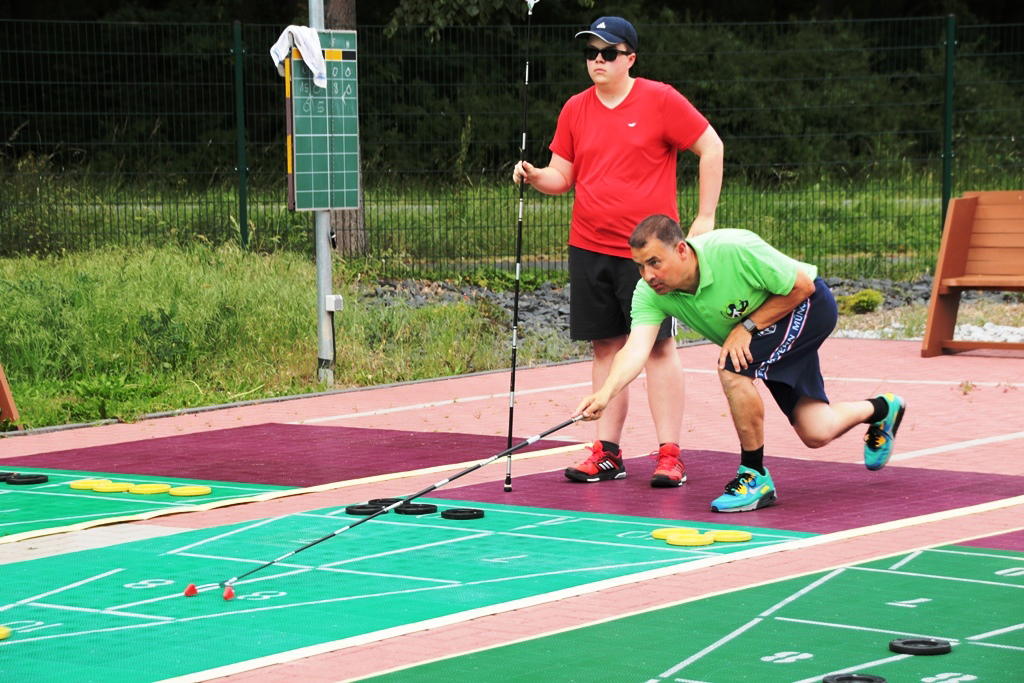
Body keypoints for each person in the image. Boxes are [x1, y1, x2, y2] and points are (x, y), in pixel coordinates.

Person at [512, 16, 724, 487]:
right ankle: (606, 452)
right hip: (589, 246)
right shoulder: (575, 109)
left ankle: (670, 453)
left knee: (659, 347)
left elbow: (712, 147)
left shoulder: (661, 99)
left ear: (630, 58)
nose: (598, 61)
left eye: (609, 52)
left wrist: (704, 218)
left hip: (648, 255)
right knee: (605, 345)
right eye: (591, 52)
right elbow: (561, 176)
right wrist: (534, 174)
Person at [573, 214, 907, 512]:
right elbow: (635, 350)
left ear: (682, 251)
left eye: (654, 262)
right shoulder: (650, 294)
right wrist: (606, 393)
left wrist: (747, 327)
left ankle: (754, 475)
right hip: (769, 330)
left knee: (732, 368)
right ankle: (883, 409)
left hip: (807, 306)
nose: (648, 275)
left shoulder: (732, 250)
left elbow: (803, 286)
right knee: (817, 431)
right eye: (640, 266)